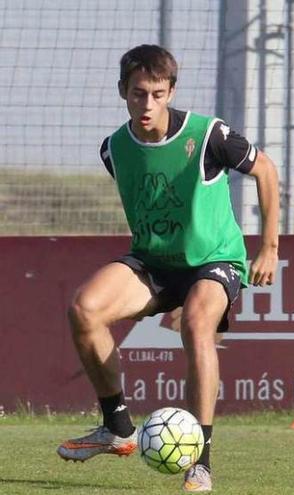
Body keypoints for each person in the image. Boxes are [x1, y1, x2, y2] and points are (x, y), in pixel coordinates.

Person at [56, 45, 280, 492]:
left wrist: (269, 247)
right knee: (84, 309)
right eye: (139, 93)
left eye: (158, 94)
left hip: (214, 259)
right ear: (123, 91)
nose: (148, 104)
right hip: (156, 261)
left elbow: (267, 171)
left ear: (171, 90)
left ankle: (201, 461)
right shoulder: (113, 149)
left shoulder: (209, 134)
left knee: (197, 324)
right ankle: (118, 428)